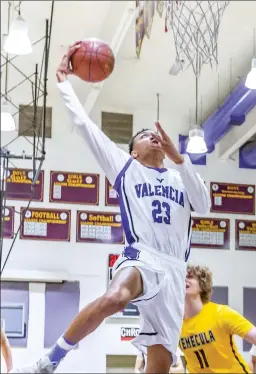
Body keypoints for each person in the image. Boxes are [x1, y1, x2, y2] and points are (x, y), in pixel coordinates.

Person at [12, 42, 210, 374]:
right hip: (142, 254)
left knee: (160, 363)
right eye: (145, 135)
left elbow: (203, 206)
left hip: (176, 268)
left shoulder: (179, 176)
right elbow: (87, 128)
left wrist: (181, 159)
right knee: (116, 297)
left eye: (155, 134)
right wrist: (63, 83)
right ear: (132, 151)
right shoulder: (125, 167)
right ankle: (49, 361)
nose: (153, 137)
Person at [180, 265, 256, 373]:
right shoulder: (175, 323)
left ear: (202, 284)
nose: (184, 279)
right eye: (182, 276)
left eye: (190, 277)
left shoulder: (220, 313)